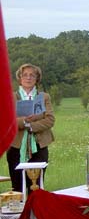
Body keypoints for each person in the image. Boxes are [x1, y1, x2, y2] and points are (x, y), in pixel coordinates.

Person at [6, 63, 55, 192]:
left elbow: (50, 120)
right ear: (20, 78)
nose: (28, 78)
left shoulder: (44, 97)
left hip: (39, 147)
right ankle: (20, 212)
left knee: (36, 186)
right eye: (25, 75)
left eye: (32, 75)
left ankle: (35, 211)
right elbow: (6, 121)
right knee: (17, 186)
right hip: (16, 148)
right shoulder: (11, 97)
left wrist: (31, 126)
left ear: (37, 79)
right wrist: (24, 121)